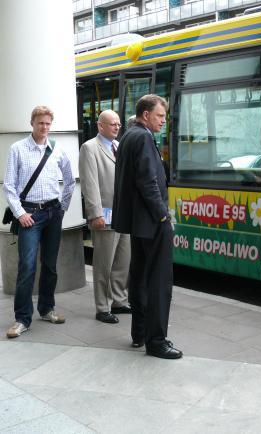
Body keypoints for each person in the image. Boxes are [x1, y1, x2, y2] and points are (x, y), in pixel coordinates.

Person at [112, 94, 182, 360]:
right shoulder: (142, 137)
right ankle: (157, 341)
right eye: (160, 116)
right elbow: (148, 181)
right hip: (152, 222)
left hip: (139, 224)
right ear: (145, 115)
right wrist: (163, 215)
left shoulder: (130, 135)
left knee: (139, 278)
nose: (164, 121)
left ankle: (140, 333)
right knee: (159, 282)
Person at [3, 106, 75, 338]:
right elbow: (9, 186)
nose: (44, 127)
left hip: (53, 212)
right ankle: (22, 319)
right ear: (32, 123)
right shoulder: (18, 149)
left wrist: (62, 208)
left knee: (51, 265)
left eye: (47, 124)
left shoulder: (57, 149)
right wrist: (20, 213)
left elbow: (70, 180)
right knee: (27, 266)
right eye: (40, 123)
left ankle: (47, 309)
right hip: (29, 216)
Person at [79, 110, 131, 324]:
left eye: (118, 124)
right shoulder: (90, 147)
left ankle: (119, 301)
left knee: (122, 261)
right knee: (103, 264)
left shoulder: (119, 146)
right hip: (105, 216)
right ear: (100, 126)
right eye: (112, 124)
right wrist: (95, 213)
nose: (117, 127)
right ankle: (102, 307)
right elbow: (89, 184)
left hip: (124, 215)